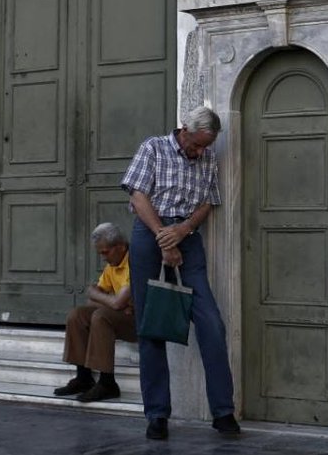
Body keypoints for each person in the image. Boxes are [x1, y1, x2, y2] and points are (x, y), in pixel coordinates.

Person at [121, 106, 240, 440]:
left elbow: (207, 202)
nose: (201, 152)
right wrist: (164, 236)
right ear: (184, 130)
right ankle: (157, 414)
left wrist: (184, 229)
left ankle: (223, 411)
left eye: (207, 146)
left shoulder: (207, 157)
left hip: (187, 240)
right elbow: (139, 195)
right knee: (152, 326)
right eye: (197, 145)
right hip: (150, 235)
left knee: (211, 323)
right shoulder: (153, 148)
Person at [53, 222, 136, 402]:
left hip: (139, 320)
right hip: (124, 314)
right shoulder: (112, 264)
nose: (103, 257)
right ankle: (83, 377)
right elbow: (94, 300)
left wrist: (108, 300)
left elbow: (113, 301)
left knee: (101, 316)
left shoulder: (134, 261)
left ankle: (108, 383)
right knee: (77, 315)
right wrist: (112, 302)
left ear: (120, 246)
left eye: (105, 252)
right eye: (100, 253)